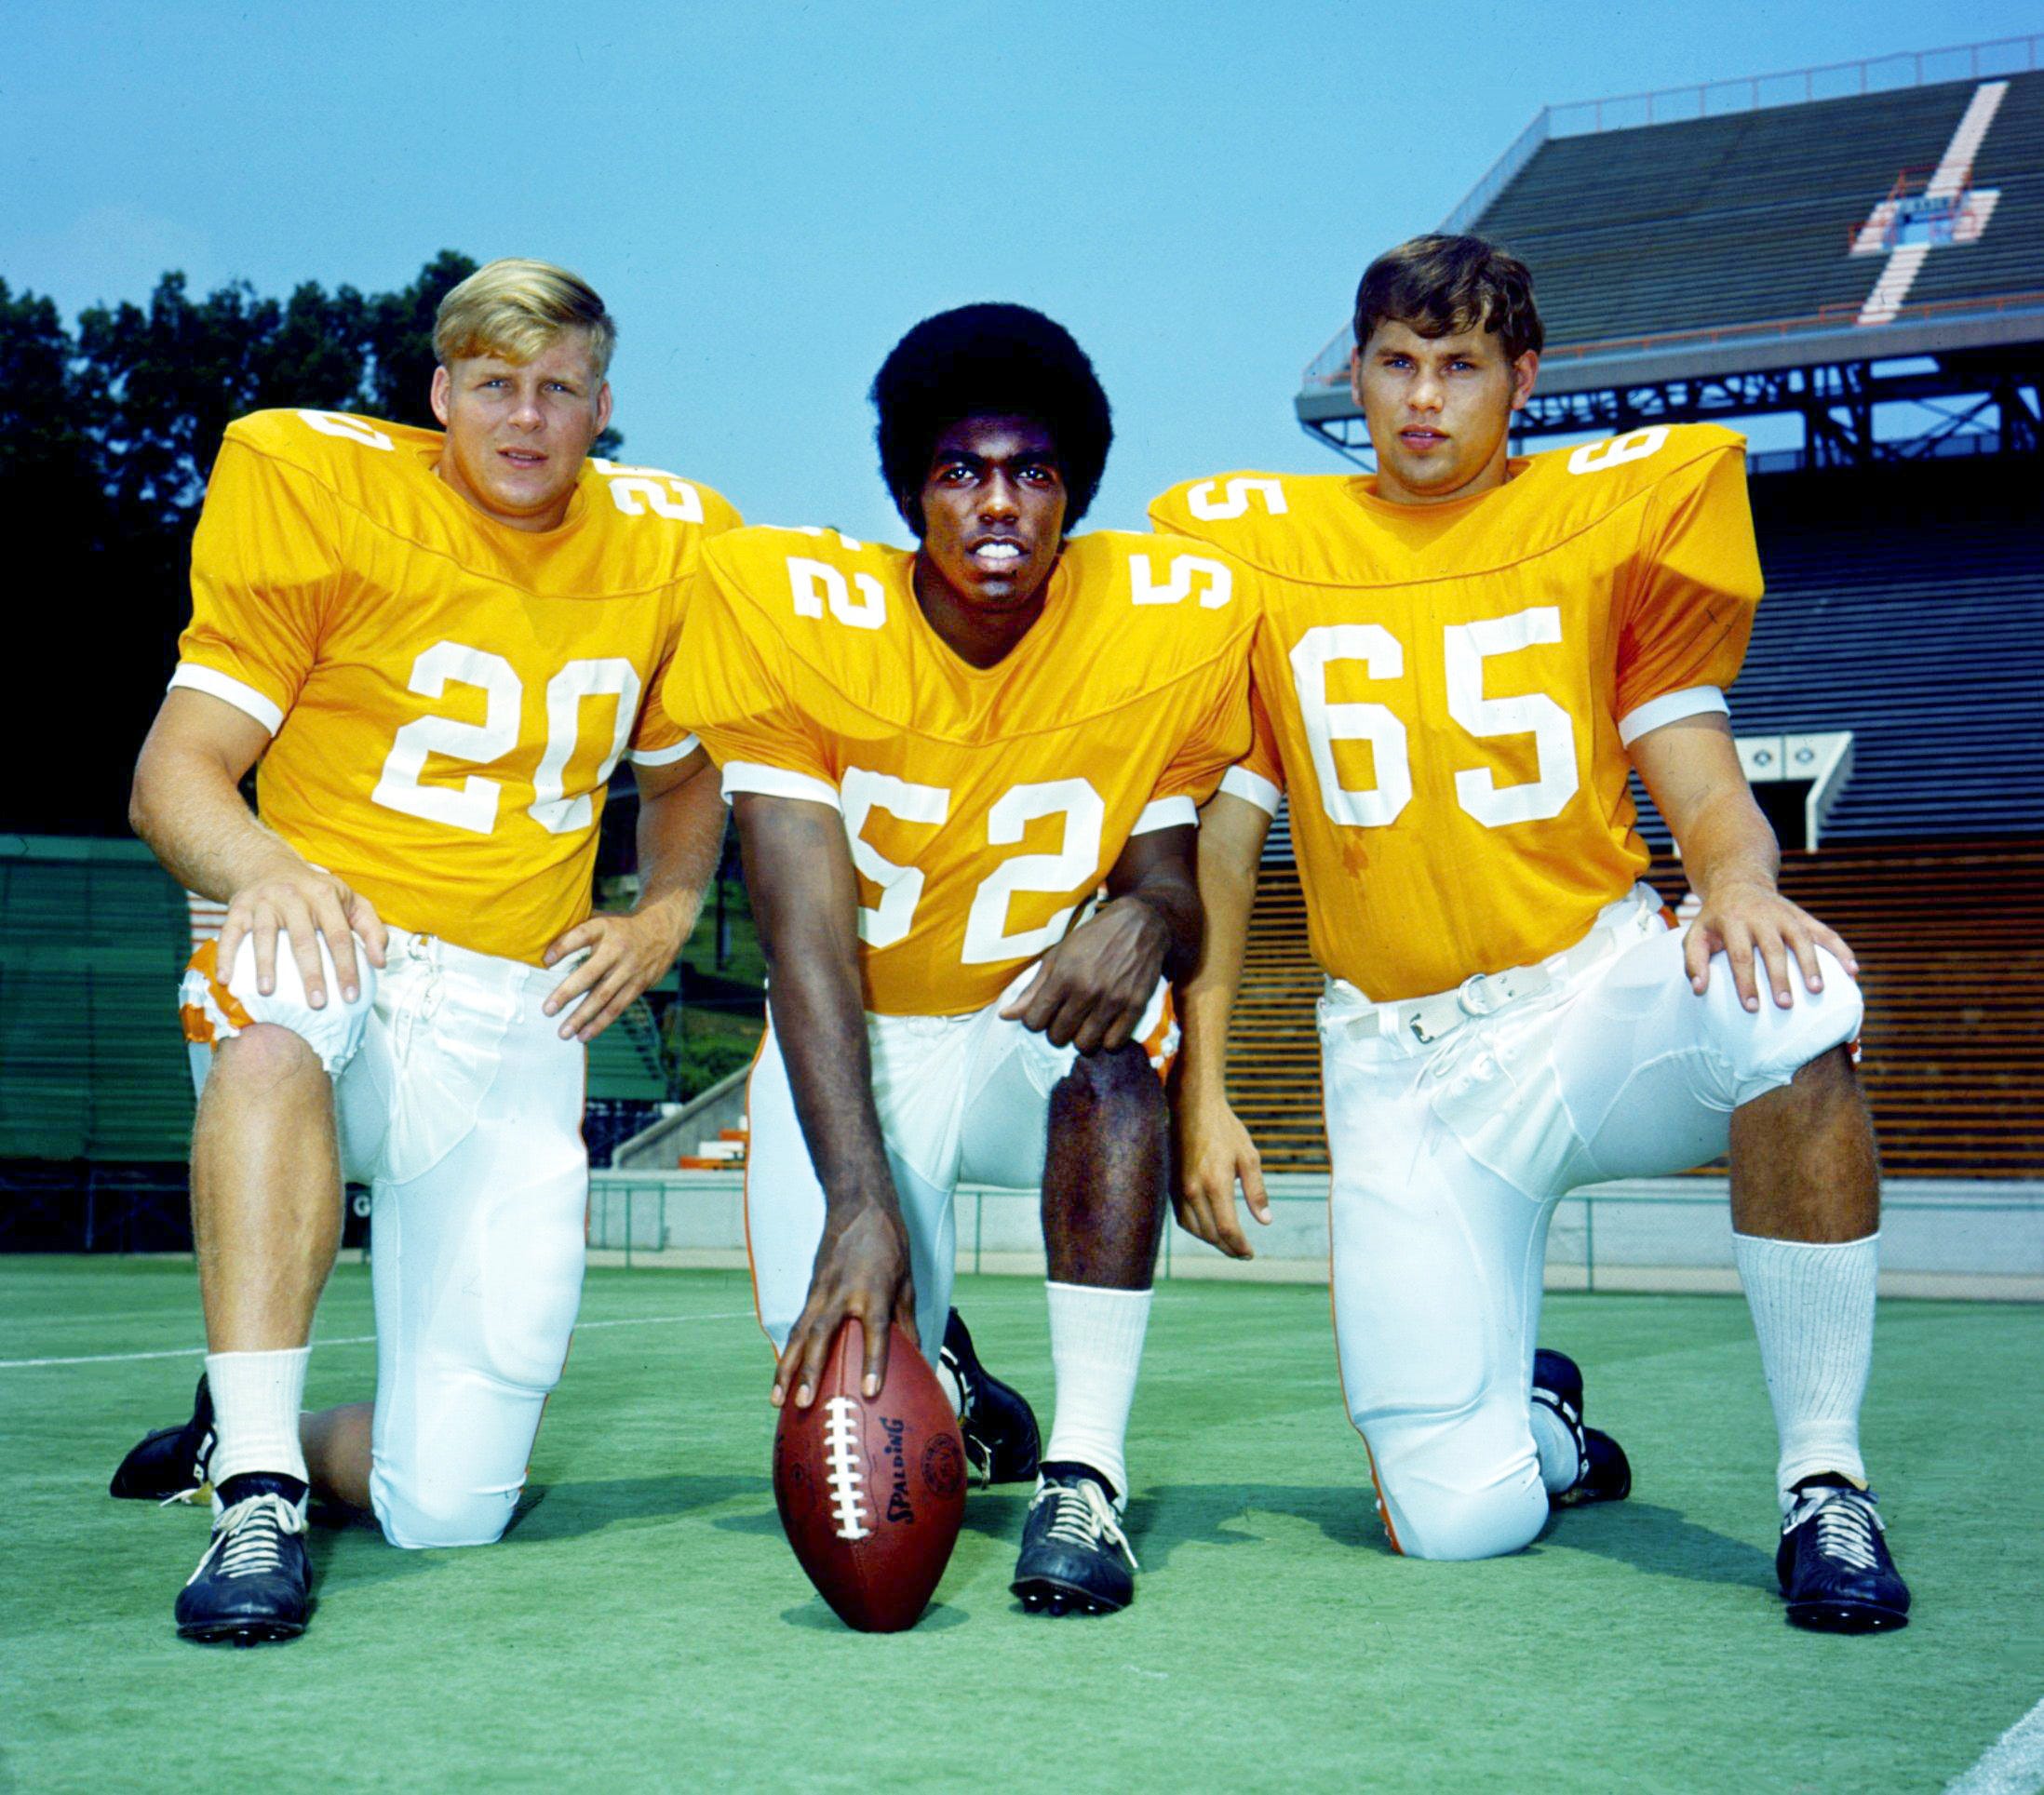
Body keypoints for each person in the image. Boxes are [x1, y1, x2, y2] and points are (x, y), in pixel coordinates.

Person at [1152, 234, 1910, 1633]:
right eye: (1395, 363)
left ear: (1522, 381)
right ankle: (1541, 1428)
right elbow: (1221, 851)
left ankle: (1825, 1479)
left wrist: (1738, 882)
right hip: (1404, 1069)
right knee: (1461, 1525)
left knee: (1797, 1005)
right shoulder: (1261, 556)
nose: (1423, 398)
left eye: (1459, 366)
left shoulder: (1600, 519)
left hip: (1591, 996)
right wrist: (1202, 1092)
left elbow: (1709, 786)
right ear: (1359, 375)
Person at [114, 259, 737, 1643]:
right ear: (441, 393)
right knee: (273, 1020)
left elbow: (687, 778)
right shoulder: (324, 488)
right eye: (498, 386)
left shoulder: (663, 545)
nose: (529, 418)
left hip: (519, 1012)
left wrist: (665, 911)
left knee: (446, 1507)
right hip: (339, 941)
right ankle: (262, 1492)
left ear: (602, 407)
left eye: (561, 389)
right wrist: (272, 867)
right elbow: (177, 774)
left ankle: (258, 1426)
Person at [666, 304, 1255, 1615]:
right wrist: (858, 1200)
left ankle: (1083, 1474)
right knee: (847, 1399)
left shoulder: (1145, 628)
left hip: (1016, 1032)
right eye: (961, 471)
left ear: (1075, 496)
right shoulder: (802, 618)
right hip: (856, 1038)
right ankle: (966, 1388)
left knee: (1114, 1073)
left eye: (1033, 472)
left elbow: (1171, 874)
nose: (1000, 502)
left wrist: (1149, 917)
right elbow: (806, 943)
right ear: (911, 493)